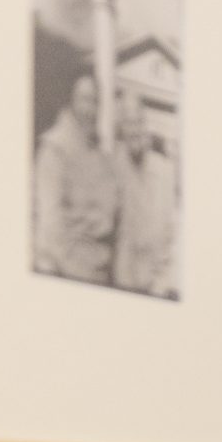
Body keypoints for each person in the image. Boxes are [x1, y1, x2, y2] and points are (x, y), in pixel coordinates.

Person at [32, 70, 121, 286]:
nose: (91, 109)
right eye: (84, 99)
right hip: (70, 274)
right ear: (70, 101)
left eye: (95, 102)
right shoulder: (55, 149)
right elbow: (50, 230)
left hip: (100, 272)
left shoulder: (99, 153)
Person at [110, 91, 179, 299]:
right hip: (123, 280)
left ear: (145, 124)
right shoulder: (112, 168)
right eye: (128, 123)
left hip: (158, 281)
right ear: (121, 128)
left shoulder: (165, 170)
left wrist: (162, 281)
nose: (135, 130)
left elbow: (171, 232)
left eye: (139, 121)